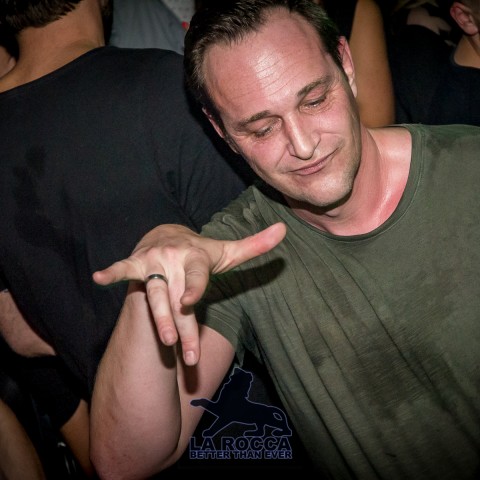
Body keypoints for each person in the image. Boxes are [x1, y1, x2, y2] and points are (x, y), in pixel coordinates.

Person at [90, 0, 480, 479]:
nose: (302, 144)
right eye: (262, 128)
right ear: (221, 131)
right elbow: (125, 462)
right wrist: (151, 271)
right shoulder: (238, 250)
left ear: (346, 64)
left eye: (314, 101)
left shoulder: (469, 168)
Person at [0, 0, 253, 476]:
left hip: (120, 428)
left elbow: (18, 332)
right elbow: (258, 253)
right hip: (236, 432)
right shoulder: (159, 86)